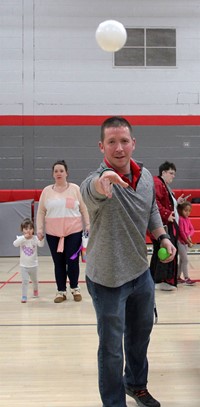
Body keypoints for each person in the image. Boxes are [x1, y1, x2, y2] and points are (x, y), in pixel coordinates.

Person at [80, 116, 176, 407]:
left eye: (124, 141)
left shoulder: (146, 177)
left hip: (140, 274)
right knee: (111, 349)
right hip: (107, 278)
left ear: (133, 143)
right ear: (101, 146)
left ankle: (136, 385)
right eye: (112, 142)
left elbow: (150, 213)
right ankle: (113, 402)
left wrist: (162, 237)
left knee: (139, 338)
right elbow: (90, 192)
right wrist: (102, 183)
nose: (119, 147)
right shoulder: (97, 181)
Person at [36, 159, 90, 303]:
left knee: (72, 261)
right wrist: (40, 230)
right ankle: (61, 291)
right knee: (58, 263)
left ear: (67, 173)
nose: (58, 173)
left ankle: (75, 288)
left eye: (61, 171)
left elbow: (84, 208)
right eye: (56, 171)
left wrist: (88, 224)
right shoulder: (47, 191)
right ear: (53, 174)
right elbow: (41, 212)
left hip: (74, 232)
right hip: (53, 234)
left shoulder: (75, 189)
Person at [150, 161, 185, 291]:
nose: (173, 176)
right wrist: (165, 214)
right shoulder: (158, 183)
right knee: (167, 250)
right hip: (164, 225)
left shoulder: (164, 185)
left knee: (161, 252)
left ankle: (157, 279)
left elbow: (166, 203)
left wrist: (177, 202)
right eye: (171, 173)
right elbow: (154, 202)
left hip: (166, 223)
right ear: (163, 172)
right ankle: (162, 280)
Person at [13, 218, 44, 303]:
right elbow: (15, 244)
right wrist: (23, 237)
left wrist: (41, 239)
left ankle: (35, 290)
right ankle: (24, 296)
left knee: (34, 280)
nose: (28, 231)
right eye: (26, 229)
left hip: (34, 265)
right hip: (23, 266)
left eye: (30, 228)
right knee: (25, 281)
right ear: (22, 230)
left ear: (33, 229)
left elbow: (41, 245)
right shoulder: (21, 238)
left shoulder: (35, 238)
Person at [177, 201, 195, 285]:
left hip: (185, 242)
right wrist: (188, 241)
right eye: (185, 210)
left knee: (182, 260)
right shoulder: (180, 219)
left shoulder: (187, 219)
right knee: (185, 260)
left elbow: (192, 229)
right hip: (180, 242)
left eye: (189, 211)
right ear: (181, 210)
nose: (187, 213)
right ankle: (186, 278)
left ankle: (177, 277)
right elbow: (181, 232)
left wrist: (189, 236)